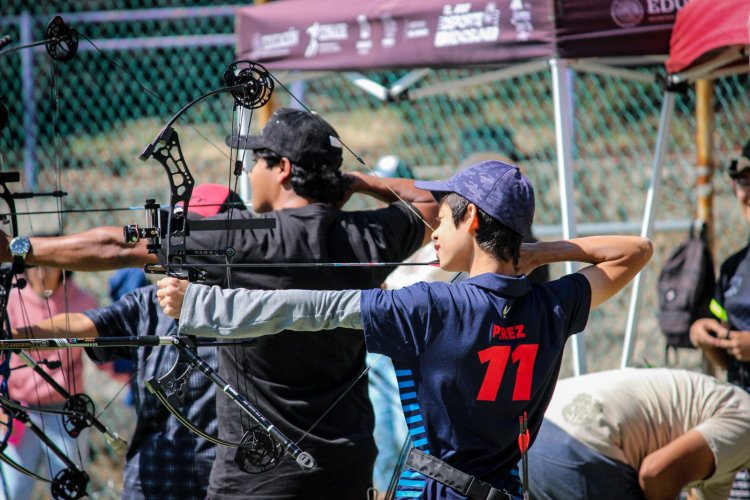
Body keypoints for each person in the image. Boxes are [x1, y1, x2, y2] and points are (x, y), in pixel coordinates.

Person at [0, 108, 438, 499]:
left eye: (256, 163)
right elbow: (428, 202)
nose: (249, 173)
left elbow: (119, 246)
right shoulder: (367, 238)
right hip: (347, 469)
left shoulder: (247, 240)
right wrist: (349, 181)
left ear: (282, 169)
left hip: (257, 480)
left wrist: (15, 248)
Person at [156, 160, 653, 499]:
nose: (433, 231)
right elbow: (636, 251)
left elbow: (310, 308)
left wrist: (205, 303)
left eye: (445, 219)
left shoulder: (432, 306)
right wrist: (543, 253)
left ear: (473, 218)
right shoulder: (552, 306)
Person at [11, 183, 242, 500]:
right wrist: (18, 335)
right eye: (182, 231)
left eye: (200, 233)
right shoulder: (150, 302)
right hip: (155, 481)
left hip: (227, 483)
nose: (187, 243)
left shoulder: (251, 309)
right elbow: (85, 323)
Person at [526, 368, 750, 500]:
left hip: (536, 434)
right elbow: (657, 474)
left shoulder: (729, 455)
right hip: (583, 445)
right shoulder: (746, 424)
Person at [1, 263, 97, 499]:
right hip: (20, 409)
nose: (42, 272)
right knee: (12, 489)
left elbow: (101, 352)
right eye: (35, 266)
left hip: (65, 412)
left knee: (70, 487)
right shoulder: (12, 299)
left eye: (50, 265)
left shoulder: (84, 301)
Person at [690, 139, 750, 498]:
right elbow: (727, 352)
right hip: (740, 417)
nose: (749, 193)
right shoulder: (732, 269)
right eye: (744, 182)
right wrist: (704, 335)